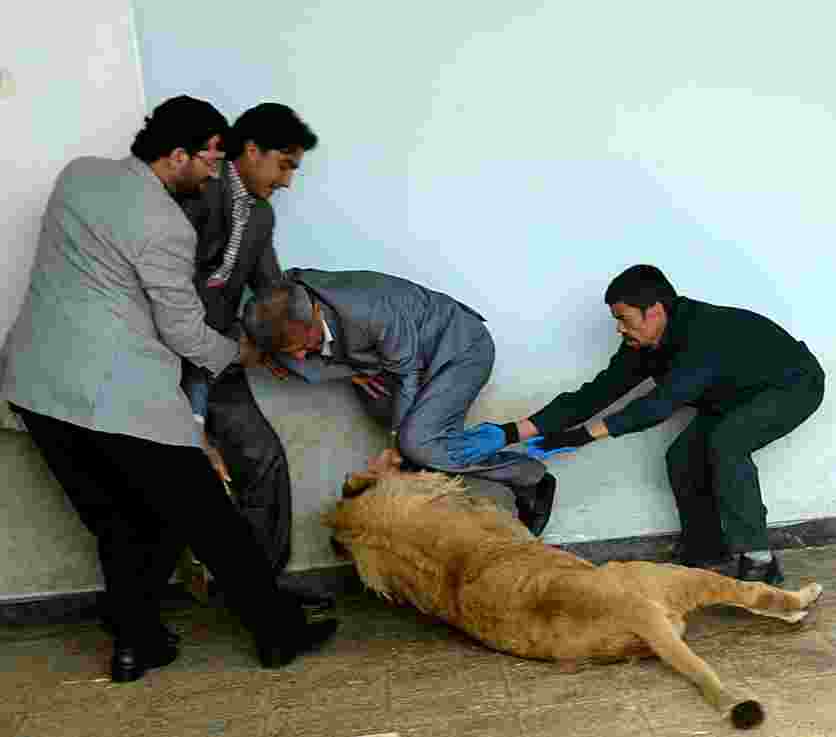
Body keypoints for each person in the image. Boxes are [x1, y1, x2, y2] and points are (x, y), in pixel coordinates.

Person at [1, 96, 336, 682]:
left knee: (122, 522)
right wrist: (241, 355)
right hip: (117, 392)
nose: (215, 168)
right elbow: (181, 327)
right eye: (209, 157)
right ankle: (277, 632)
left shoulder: (78, 176)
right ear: (177, 155)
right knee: (213, 520)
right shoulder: (166, 225)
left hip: (36, 387)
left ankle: (137, 644)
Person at [451, 264, 825, 583]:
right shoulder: (643, 346)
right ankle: (706, 552)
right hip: (735, 397)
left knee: (726, 443)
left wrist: (582, 436)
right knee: (683, 456)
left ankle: (758, 558)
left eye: (624, 319)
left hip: (790, 386)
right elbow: (595, 394)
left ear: (656, 311)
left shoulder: (705, 335)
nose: (619, 329)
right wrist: (509, 432)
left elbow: (658, 406)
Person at [240, 270, 557, 535]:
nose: (297, 356)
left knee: (415, 444)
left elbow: (408, 375)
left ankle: (531, 479)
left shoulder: (372, 311)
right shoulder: (287, 298)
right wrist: (351, 373)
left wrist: (395, 444)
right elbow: (282, 351)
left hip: (457, 352)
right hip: (394, 363)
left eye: (301, 346)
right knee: (416, 448)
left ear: (314, 316)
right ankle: (435, 496)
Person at [175, 103, 331, 608]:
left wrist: (311, 344)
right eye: (284, 164)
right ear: (251, 150)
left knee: (261, 457)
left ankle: (263, 587)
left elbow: (270, 291)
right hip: (157, 357)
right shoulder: (193, 190)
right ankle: (148, 601)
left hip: (218, 357)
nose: (287, 180)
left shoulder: (261, 215)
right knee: (165, 472)